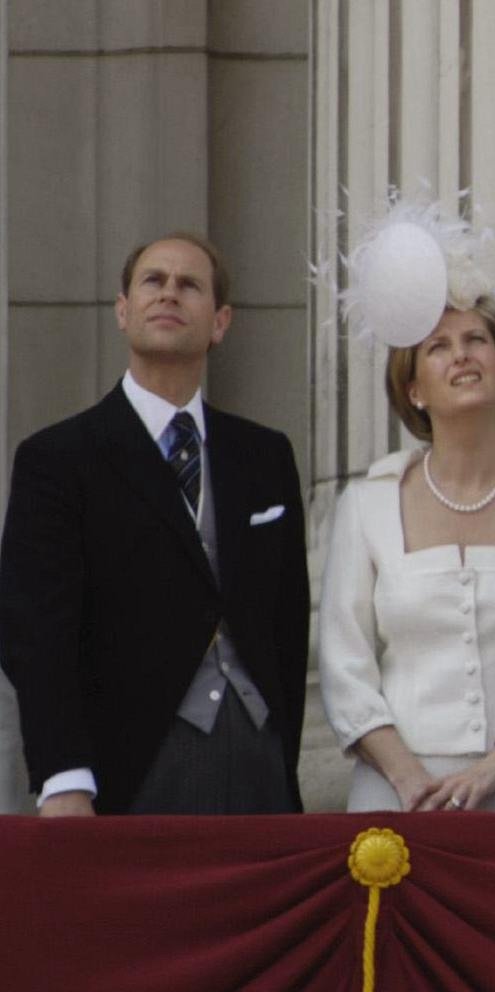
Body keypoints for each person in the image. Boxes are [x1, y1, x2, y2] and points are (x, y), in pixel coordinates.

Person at [0, 233, 309, 815]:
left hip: (260, 765)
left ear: (219, 322)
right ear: (123, 311)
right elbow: (35, 632)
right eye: (153, 281)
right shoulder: (59, 458)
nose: (169, 293)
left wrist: (281, 751)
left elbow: (287, 623)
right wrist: (63, 776)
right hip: (130, 767)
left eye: (189, 284)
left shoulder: (266, 456)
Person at [318, 203, 495, 812]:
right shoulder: (366, 504)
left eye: (476, 339)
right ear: (413, 389)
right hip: (401, 800)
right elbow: (345, 668)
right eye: (438, 346)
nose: (462, 354)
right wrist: (407, 780)